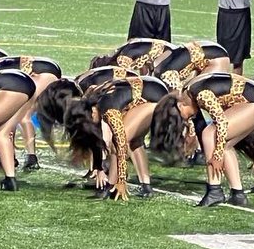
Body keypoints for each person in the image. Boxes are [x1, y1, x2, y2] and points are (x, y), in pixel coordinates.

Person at [150, 72, 254, 207]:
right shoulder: (191, 92)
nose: (186, 120)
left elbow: (221, 122)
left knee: (210, 134)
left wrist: (216, 156)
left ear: (181, 105)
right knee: (224, 144)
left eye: (182, 117)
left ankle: (214, 190)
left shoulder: (201, 95)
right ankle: (238, 194)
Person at [36, 75, 169, 200]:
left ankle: (114, 186)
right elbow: (97, 139)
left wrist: (121, 181)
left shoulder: (109, 110)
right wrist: (99, 168)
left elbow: (120, 143)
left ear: (92, 111)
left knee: (121, 142)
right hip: (145, 89)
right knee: (128, 141)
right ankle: (140, 186)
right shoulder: (92, 104)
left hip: (156, 95)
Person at [0, 54, 63, 172]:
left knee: (22, 115)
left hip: (40, 73)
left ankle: (30, 157)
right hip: (49, 69)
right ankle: (22, 156)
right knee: (19, 114)